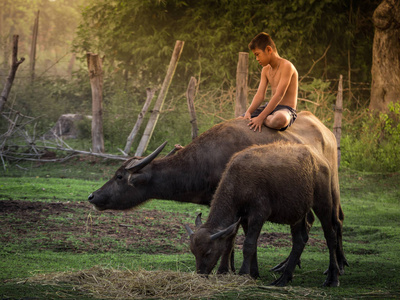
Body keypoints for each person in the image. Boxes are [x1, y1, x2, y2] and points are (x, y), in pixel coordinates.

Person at [239, 32, 298, 132]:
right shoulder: (265, 70)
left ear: (268, 50)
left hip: (285, 110)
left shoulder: (287, 66)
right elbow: (260, 95)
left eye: (258, 55)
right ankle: (265, 117)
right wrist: (249, 112)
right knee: (239, 120)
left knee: (280, 119)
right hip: (269, 107)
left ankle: (265, 118)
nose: (257, 59)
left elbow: (279, 95)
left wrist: (261, 118)